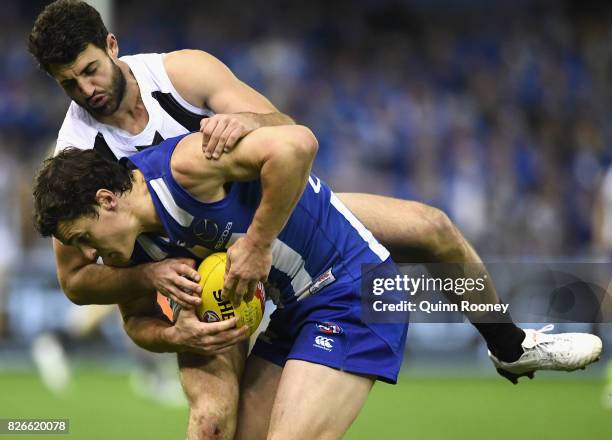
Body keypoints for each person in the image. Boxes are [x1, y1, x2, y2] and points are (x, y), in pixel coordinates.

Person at [27, 1, 602, 437]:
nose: (85, 90)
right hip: (206, 271)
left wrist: (249, 124)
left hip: (270, 222)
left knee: (430, 227)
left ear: (111, 44)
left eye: (90, 70)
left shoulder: (181, 74)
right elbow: (76, 278)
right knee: (212, 419)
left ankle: (509, 343)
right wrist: (151, 277)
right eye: (68, 84)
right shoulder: (78, 161)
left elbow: (287, 129)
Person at [32, 129, 603, 439]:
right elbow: (125, 315)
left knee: (432, 229)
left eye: (83, 236)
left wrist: (255, 244)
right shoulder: (139, 248)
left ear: (107, 200)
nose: (86, 253)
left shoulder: (185, 166)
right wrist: (179, 337)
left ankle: (511, 345)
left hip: (354, 288)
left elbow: (298, 144)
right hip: (294, 311)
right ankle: (512, 346)